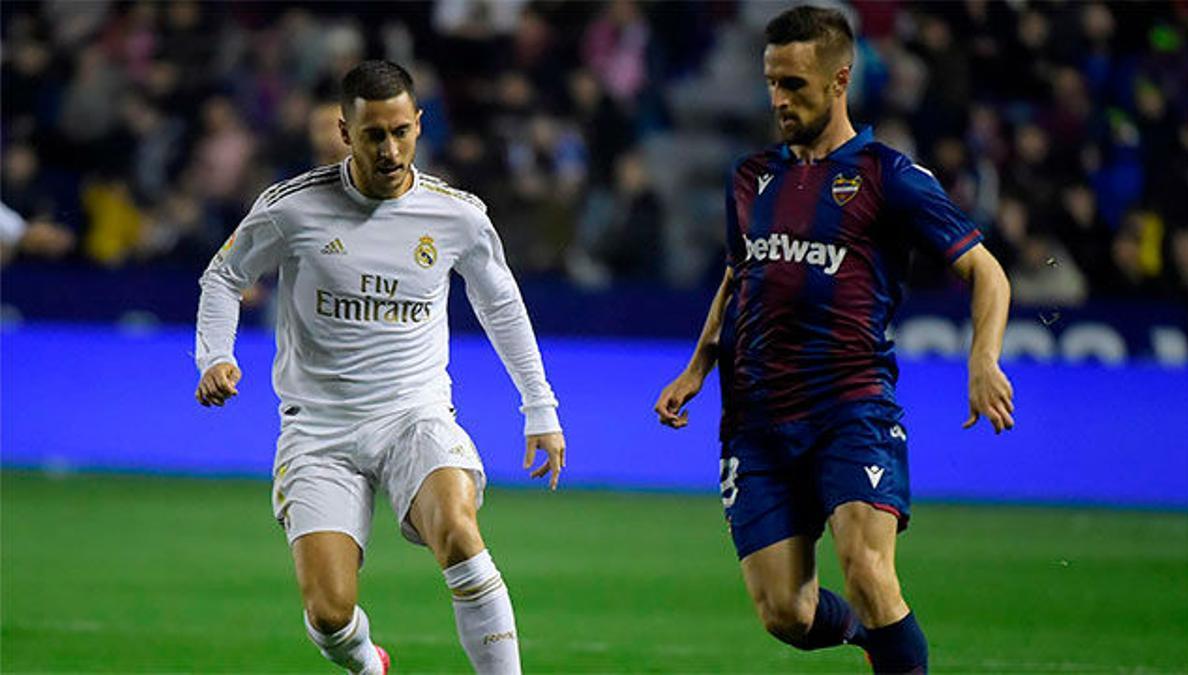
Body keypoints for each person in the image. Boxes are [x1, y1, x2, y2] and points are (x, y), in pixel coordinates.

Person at [654, 6, 1014, 673]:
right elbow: (742, 275)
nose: (778, 99)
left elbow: (985, 270)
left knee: (867, 570)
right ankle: (874, 639)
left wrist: (983, 358)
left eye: (795, 84)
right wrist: (698, 365)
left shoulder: (887, 176)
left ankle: (887, 637)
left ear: (840, 80)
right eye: (771, 82)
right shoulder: (750, 177)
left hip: (851, 404)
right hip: (757, 418)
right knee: (784, 614)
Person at [194, 60, 566, 675]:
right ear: (345, 132)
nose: (390, 149)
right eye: (373, 135)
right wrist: (217, 355)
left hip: (414, 417)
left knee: (458, 530)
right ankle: (368, 663)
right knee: (330, 614)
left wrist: (540, 407)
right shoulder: (292, 208)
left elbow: (500, 303)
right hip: (319, 429)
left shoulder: (458, 216)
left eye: (401, 131)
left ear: (419, 126)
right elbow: (224, 275)